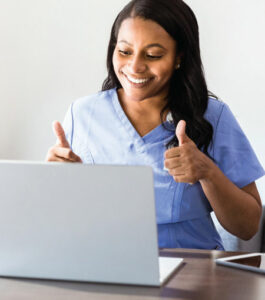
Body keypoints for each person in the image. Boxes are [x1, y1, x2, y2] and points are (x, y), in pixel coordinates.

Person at [46, 0, 264, 250]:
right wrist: (55, 180)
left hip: (193, 275)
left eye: (153, 55)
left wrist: (208, 173)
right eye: (125, 51)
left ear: (179, 57)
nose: (135, 66)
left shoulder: (212, 117)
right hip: (105, 269)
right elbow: (63, 219)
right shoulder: (83, 114)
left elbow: (248, 228)